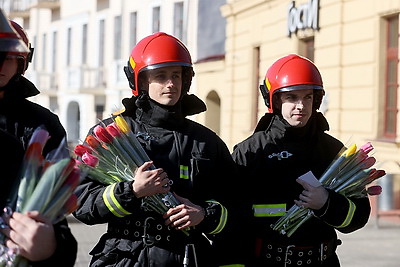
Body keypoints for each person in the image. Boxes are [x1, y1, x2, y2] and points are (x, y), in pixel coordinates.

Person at [73, 32, 241, 267]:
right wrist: (132, 191)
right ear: (140, 81)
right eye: (160, 76)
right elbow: (81, 205)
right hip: (125, 259)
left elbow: (236, 209)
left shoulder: (207, 142)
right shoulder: (111, 135)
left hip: (187, 257)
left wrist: (203, 215)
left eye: (176, 75)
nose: (171, 84)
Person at [231, 54, 371, 267]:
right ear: (275, 100)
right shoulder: (250, 151)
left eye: (307, 97)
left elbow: (359, 216)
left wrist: (326, 203)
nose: (301, 106)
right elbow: (230, 221)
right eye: (292, 97)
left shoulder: (333, 150)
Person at [0, 20, 77, 266]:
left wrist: (50, 248)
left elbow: (56, 214)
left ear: (22, 62)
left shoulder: (43, 124)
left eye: (9, 57)